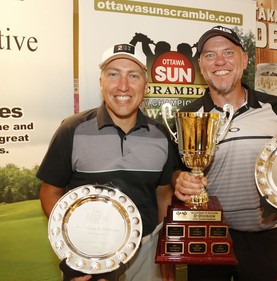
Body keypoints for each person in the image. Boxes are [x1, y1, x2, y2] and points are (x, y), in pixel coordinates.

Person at [37, 43, 175, 281]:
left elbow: (164, 196)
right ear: (101, 82)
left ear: (146, 84)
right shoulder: (72, 129)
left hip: (145, 255)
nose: (123, 86)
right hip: (91, 258)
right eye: (113, 74)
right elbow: (51, 191)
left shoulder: (161, 135)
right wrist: (76, 246)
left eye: (133, 75)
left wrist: (165, 257)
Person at [172, 26, 277, 281]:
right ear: (201, 66)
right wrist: (179, 180)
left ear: (244, 59)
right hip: (205, 236)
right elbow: (174, 170)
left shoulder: (273, 107)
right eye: (210, 55)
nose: (220, 61)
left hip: (262, 237)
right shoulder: (188, 116)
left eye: (228, 52)